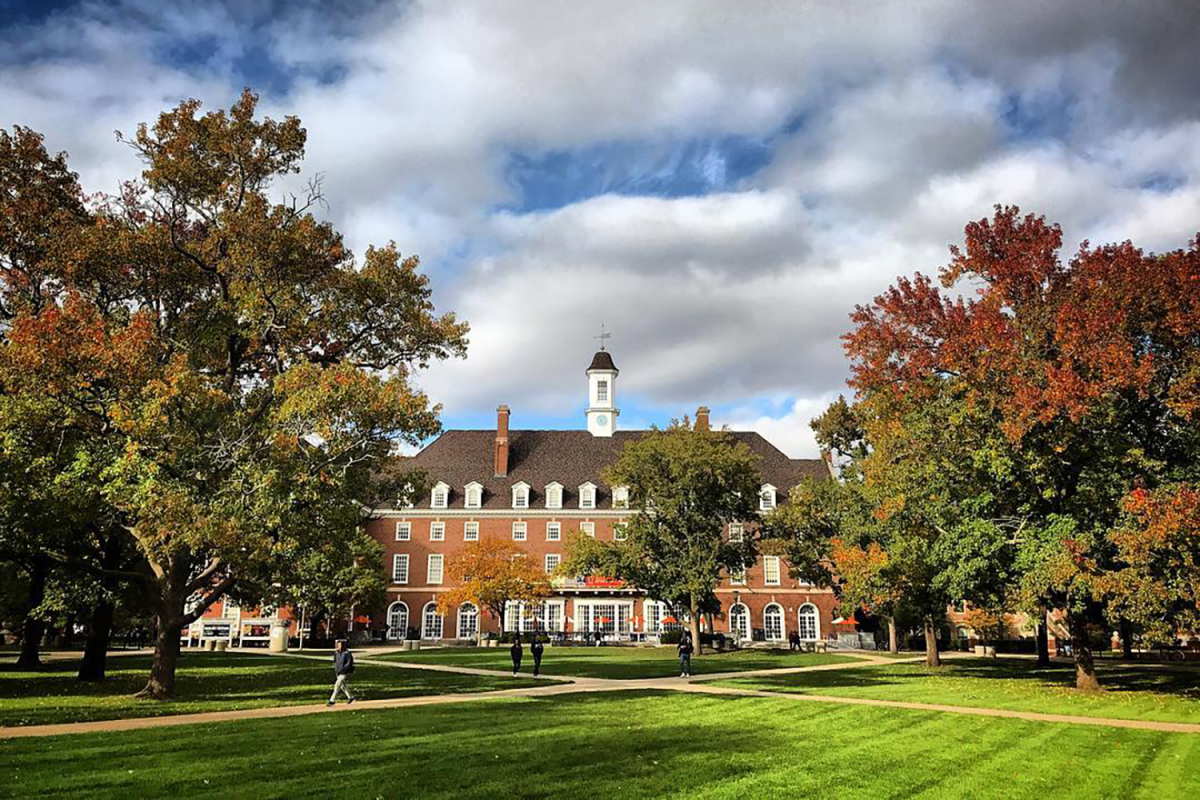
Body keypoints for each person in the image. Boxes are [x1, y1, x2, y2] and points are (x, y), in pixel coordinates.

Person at [328, 640, 357, 706]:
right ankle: (351, 698)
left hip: (344, 672)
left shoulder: (347, 653)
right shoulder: (336, 653)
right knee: (343, 686)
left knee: (337, 685)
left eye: (340, 645)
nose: (339, 647)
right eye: (338, 645)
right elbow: (335, 662)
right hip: (338, 672)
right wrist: (336, 668)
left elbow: (349, 663)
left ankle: (332, 700)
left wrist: (344, 670)